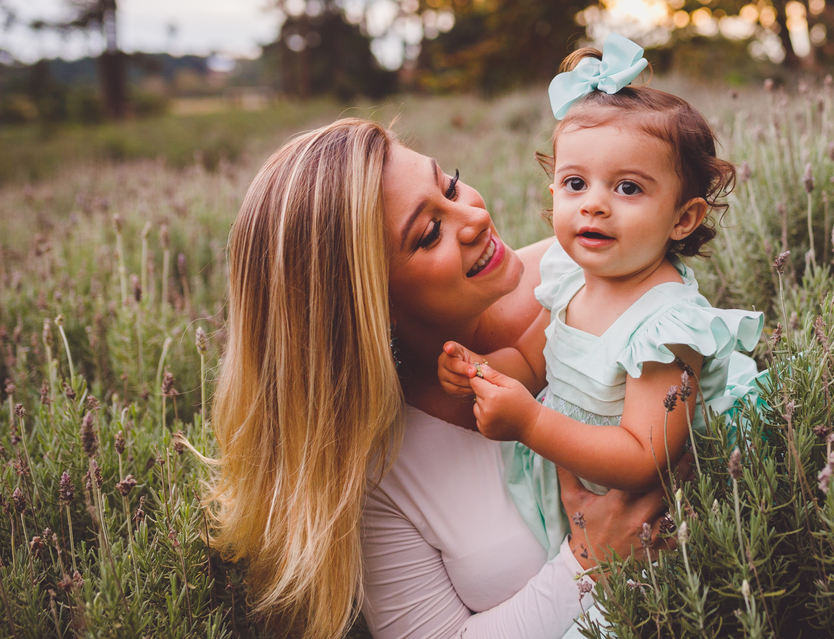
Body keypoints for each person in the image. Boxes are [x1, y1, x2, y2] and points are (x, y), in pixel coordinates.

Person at [205, 118, 671, 639]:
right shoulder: (377, 465)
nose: (472, 215)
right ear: (367, 305)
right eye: (429, 234)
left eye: (449, 183)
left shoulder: (596, 269)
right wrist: (588, 563)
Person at [438, 34, 763, 555]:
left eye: (628, 188)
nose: (593, 205)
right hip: (582, 475)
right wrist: (483, 370)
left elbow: (642, 456)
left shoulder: (666, 328)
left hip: (657, 513)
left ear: (683, 218)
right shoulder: (571, 277)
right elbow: (534, 358)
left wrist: (530, 422)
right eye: (575, 183)